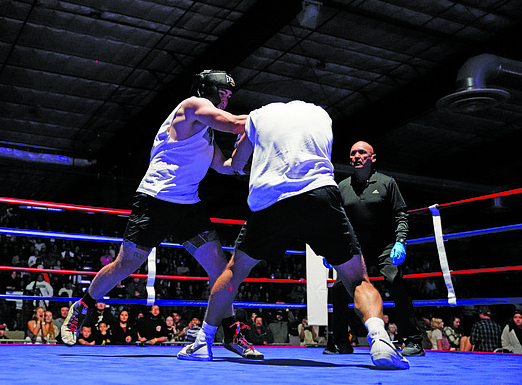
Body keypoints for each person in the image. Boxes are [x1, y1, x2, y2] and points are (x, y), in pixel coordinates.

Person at [178, 99, 409, 369]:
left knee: (233, 272)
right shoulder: (322, 115)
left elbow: (239, 159)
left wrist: (234, 163)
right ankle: (380, 340)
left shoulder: (258, 116)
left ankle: (203, 342)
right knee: (357, 280)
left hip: (271, 201)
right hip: (320, 196)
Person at [61, 70, 261, 359]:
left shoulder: (207, 132)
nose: (226, 99)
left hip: (188, 206)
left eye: (230, 96)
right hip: (155, 200)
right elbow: (233, 124)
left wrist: (249, 148)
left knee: (220, 267)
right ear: (207, 89)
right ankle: (84, 306)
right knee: (125, 265)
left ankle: (231, 331)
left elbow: (225, 166)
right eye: (223, 93)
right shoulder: (191, 105)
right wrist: (269, 122)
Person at [324, 141, 424, 357]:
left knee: (395, 281)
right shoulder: (342, 186)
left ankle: (413, 340)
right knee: (340, 287)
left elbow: (401, 214)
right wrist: (330, 248)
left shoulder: (387, 182)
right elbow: (336, 220)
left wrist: (400, 241)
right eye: (353, 153)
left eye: (362, 152)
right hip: (355, 247)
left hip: (385, 245)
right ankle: (340, 341)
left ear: (372, 158)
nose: (357, 156)